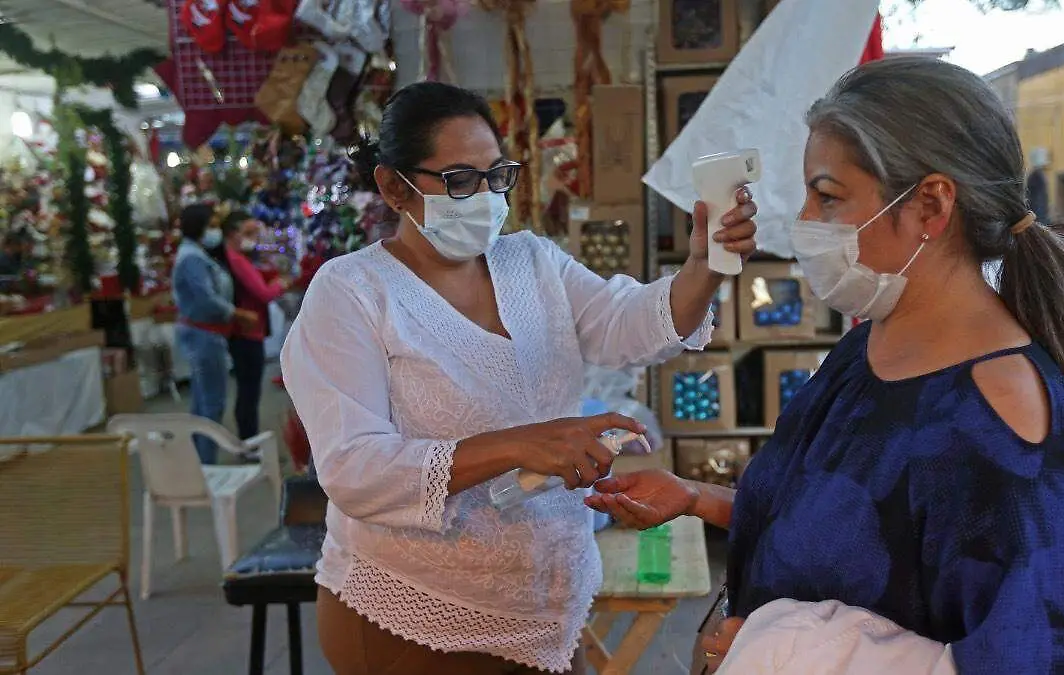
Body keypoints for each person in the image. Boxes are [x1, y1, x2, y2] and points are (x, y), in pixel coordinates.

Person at [587, 57, 1064, 673]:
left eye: (827, 196)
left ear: (932, 206)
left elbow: (1039, 657)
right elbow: (843, 527)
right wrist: (698, 497)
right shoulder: (864, 352)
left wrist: (778, 652)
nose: (805, 221)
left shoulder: (1002, 417)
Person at [280, 81, 758, 675]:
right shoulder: (352, 292)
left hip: (546, 600)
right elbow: (355, 470)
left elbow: (628, 324)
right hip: (416, 611)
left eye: (495, 175)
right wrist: (522, 443)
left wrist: (704, 267)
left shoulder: (530, 262)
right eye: (458, 180)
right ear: (392, 187)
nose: (483, 197)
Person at [172, 204, 255, 464]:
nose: (215, 230)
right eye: (212, 224)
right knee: (211, 404)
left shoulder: (195, 253)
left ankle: (200, 460)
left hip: (205, 334)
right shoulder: (192, 258)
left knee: (202, 401)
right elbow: (206, 298)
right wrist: (237, 314)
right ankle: (207, 465)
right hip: (204, 336)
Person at [210, 211, 287, 441]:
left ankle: (248, 437)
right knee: (249, 390)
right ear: (234, 234)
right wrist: (279, 284)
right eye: (249, 233)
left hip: (243, 331)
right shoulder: (237, 261)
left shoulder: (235, 258)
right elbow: (263, 294)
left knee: (248, 388)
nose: (254, 238)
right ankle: (249, 440)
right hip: (246, 332)